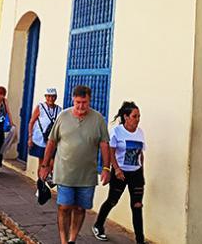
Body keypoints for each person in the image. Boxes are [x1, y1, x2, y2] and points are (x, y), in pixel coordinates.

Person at [39, 85, 110, 244]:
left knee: (80, 208)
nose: (81, 106)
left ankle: (72, 239)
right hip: (64, 172)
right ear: (73, 100)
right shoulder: (63, 117)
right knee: (64, 206)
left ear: (89, 100)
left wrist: (106, 168)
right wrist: (45, 165)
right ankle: (64, 241)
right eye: (78, 102)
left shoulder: (98, 119)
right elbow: (52, 141)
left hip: (87, 175)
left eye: (84, 102)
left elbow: (104, 144)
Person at [92, 101, 146, 243]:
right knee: (112, 201)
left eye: (139, 116)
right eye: (135, 116)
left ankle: (140, 240)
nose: (138, 119)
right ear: (126, 117)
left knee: (137, 205)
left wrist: (141, 173)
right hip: (120, 173)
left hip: (136, 174)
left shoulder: (140, 132)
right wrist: (116, 169)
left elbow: (141, 154)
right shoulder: (117, 131)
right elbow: (111, 153)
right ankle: (98, 225)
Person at [28, 87, 62, 180]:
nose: (50, 99)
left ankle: (46, 180)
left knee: (51, 162)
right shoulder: (40, 107)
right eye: (48, 96)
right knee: (42, 162)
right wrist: (30, 137)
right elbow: (32, 122)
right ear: (45, 97)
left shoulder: (59, 110)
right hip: (40, 139)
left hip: (52, 140)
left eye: (53, 97)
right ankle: (40, 184)